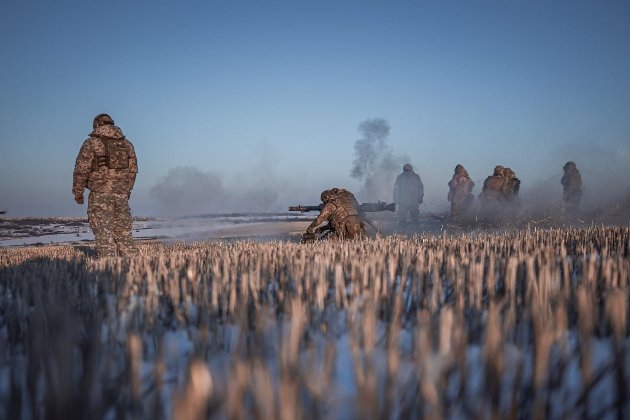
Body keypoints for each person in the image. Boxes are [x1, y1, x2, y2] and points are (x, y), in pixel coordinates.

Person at [73, 113, 138, 256]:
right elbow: (133, 171)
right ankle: (135, 271)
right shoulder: (127, 145)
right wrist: (126, 191)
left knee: (104, 237)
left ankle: (108, 271)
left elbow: (81, 170)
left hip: (100, 195)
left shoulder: (91, 143)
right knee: (125, 237)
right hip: (121, 196)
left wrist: (78, 193)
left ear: (97, 125)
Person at [393, 164, 424, 228]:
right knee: (404, 218)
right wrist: (420, 197)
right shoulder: (401, 177)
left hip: (410, 201)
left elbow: (420, 187)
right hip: (406, 201)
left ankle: (406, 231)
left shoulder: (415, 177)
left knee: (412, 218)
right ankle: (405, 231)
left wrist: (395, 199)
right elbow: (396, 188)